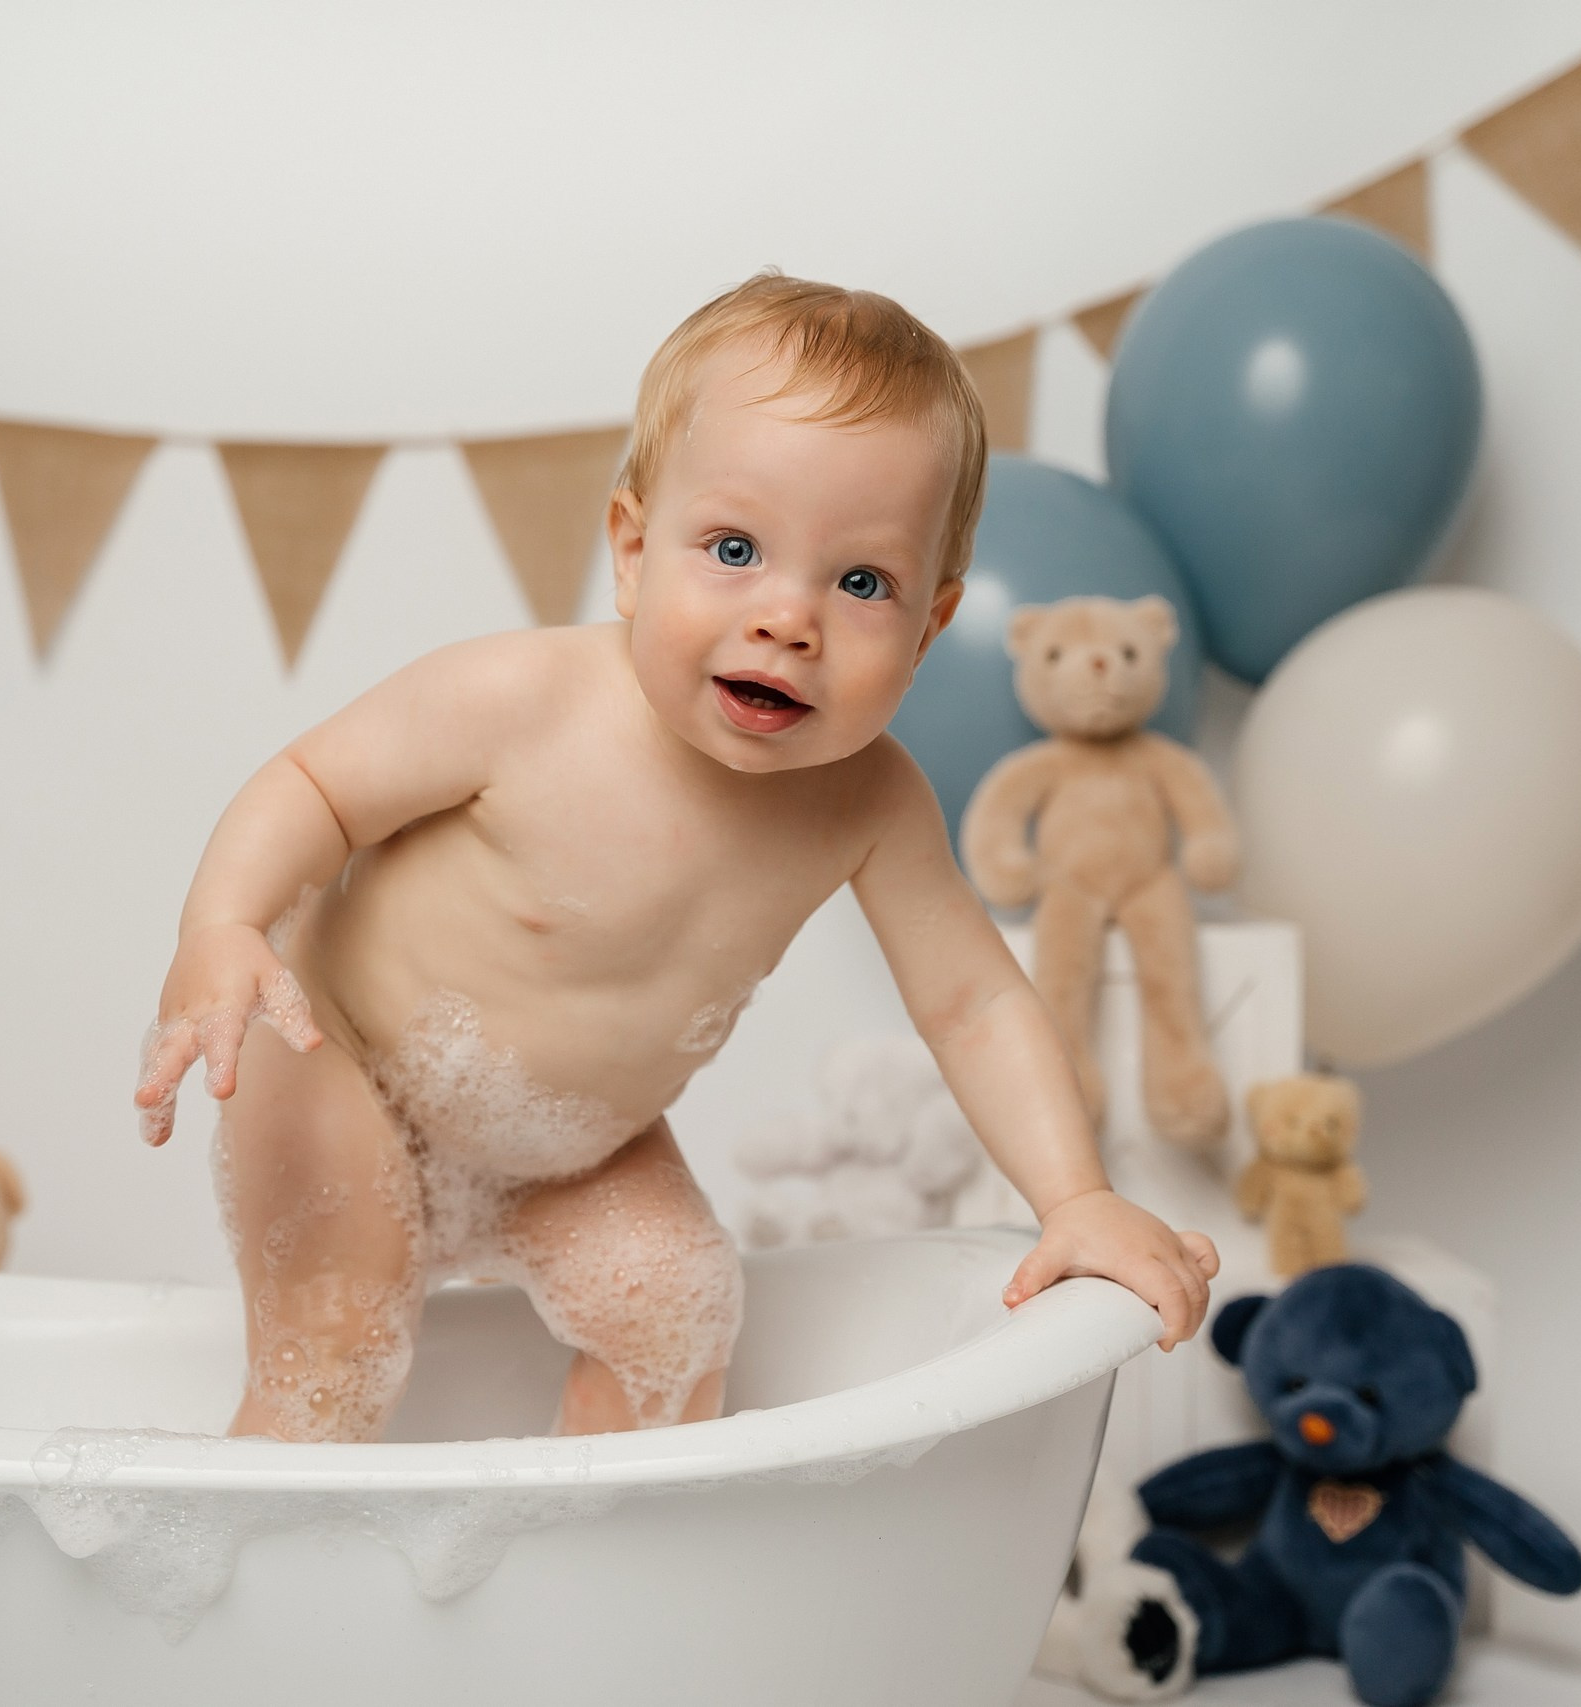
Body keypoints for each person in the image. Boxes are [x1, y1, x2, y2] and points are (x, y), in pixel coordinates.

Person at [136, 272, 1219, 1443]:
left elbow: (971, 1002)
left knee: (679, 1317)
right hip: (338, 1060)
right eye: (734, 547)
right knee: (332, 1355)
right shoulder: (520, 701)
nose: (788, 617)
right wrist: (224, 928)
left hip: (569, 1150)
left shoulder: (867, 799)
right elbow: (313, 787)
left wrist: (1075, 1195)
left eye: (861, 582)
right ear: (633, 549)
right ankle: (275, 1591)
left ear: (929, 629)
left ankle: (580, 1572)